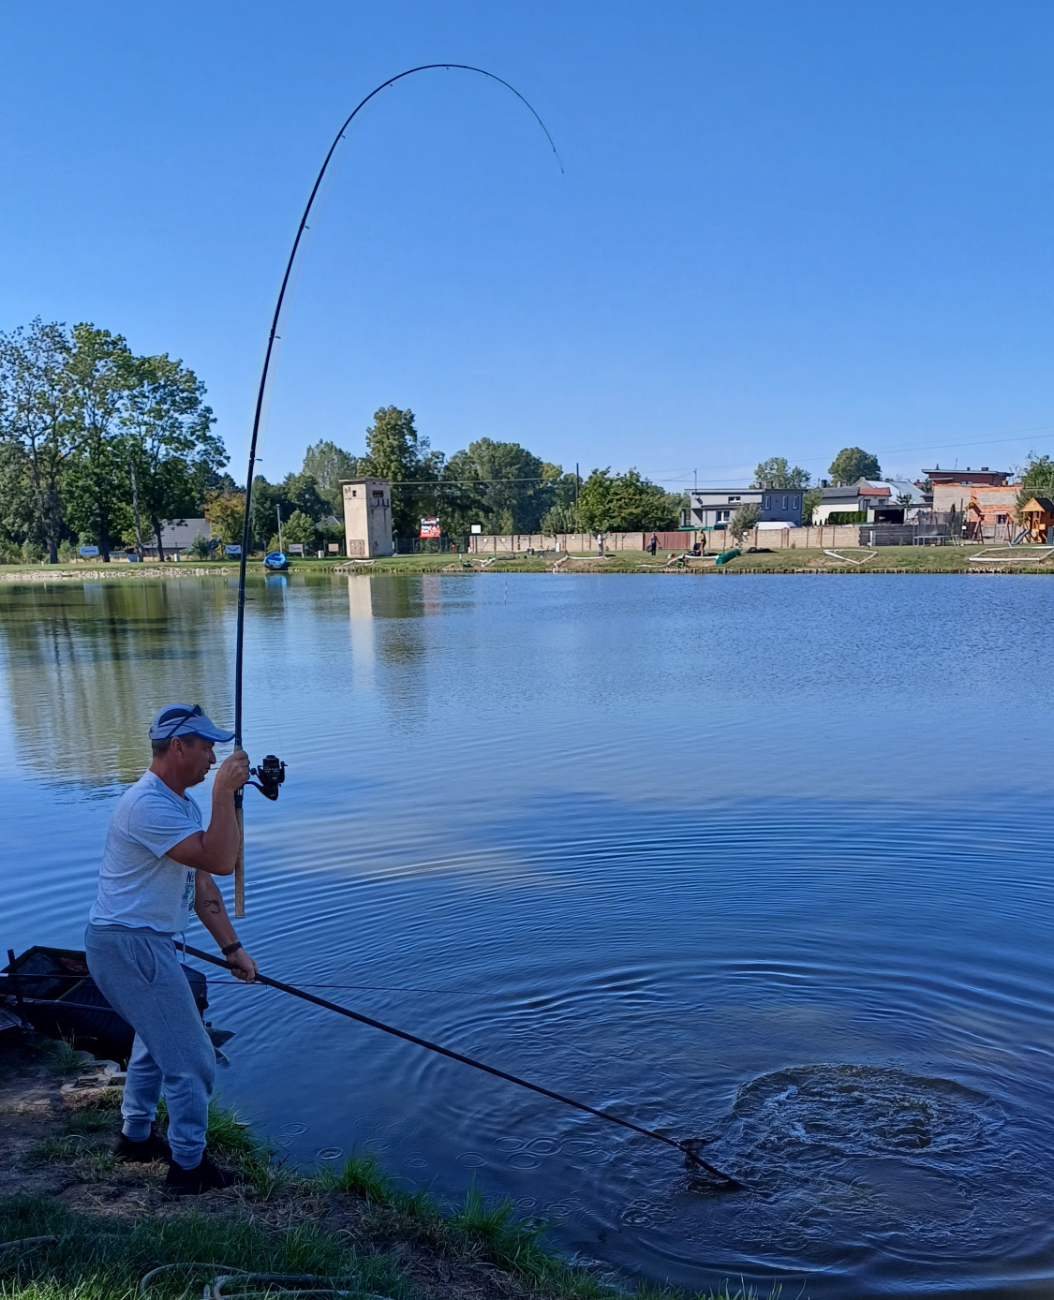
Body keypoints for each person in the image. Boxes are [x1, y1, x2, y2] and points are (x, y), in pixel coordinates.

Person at [85, 703, 256, 1195]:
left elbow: (202, 883)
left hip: (147, 942)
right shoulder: (148, 805)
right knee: (193, 1058)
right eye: (207, 748)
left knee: (154, 1044)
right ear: (178, 747)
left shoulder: (180, 804)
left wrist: (231, 947)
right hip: (129, 945)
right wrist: (224, 792)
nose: (213, 759)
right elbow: (220, 859)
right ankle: (188, 1169)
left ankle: (135, 1139)